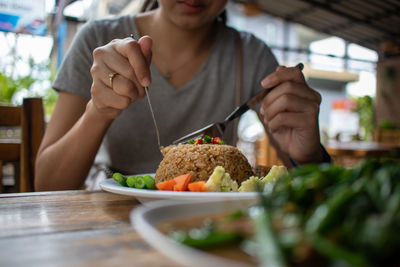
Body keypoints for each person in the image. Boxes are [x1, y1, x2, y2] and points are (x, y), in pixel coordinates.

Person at [35, 0, 326, 191]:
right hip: (109, 217)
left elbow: (315, 194)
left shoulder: (251, 56)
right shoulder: (98, 40)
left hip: (209, 224)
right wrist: (98, 110)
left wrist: (309, 155)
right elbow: (46, 186)